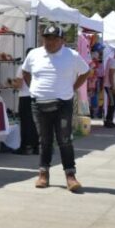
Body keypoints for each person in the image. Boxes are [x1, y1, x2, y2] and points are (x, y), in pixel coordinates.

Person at [21, 24, 91, 192]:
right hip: (39, 104)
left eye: (54, 39)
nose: (50, 42)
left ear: (62, 40)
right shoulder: (34, 54)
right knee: (44, 140)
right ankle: (43, 174)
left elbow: (85, 72)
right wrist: (34, 89)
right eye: (47, 38)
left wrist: (73, 88)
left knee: (64, 140)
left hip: (63, 104)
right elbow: (25, 72)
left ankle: (70, 175)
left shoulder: (72, 55)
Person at [14, 47, 39, 155]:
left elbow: (19, 85)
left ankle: (25, 146)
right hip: (37, 97)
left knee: (25, 122)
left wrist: (11, 83)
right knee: (36, 122)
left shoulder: (22, 67)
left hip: (25, 97)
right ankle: (37, 146)